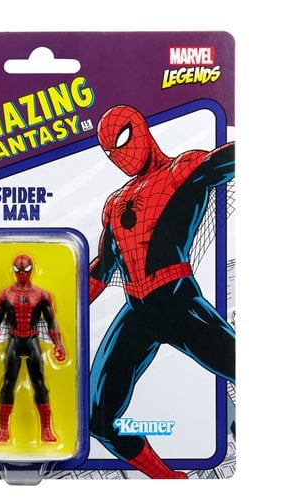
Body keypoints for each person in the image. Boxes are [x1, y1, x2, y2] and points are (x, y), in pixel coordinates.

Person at [89, 105, 235, 479]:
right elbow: (102, 270)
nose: (117, 155)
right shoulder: (115, 203)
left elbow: (226, 161)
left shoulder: (182, 169)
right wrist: (54, 303)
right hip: (136, 311)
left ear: (140, 129)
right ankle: (168, 480)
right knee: (97, 419)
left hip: (177, 301)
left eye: (121, 140)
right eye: (108, 151)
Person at [0, 254, 66, 442]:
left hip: (32, 340)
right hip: (14, 340)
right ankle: (2, 430)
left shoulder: (41, 295)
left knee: (39, 384)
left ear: (31, 269)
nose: (22, 273)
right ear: (14, 270)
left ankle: (46, 430)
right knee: (8, 384)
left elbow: (51, 322)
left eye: (25, 269)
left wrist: (58, 343)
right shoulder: (5, 295)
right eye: (18, 270)